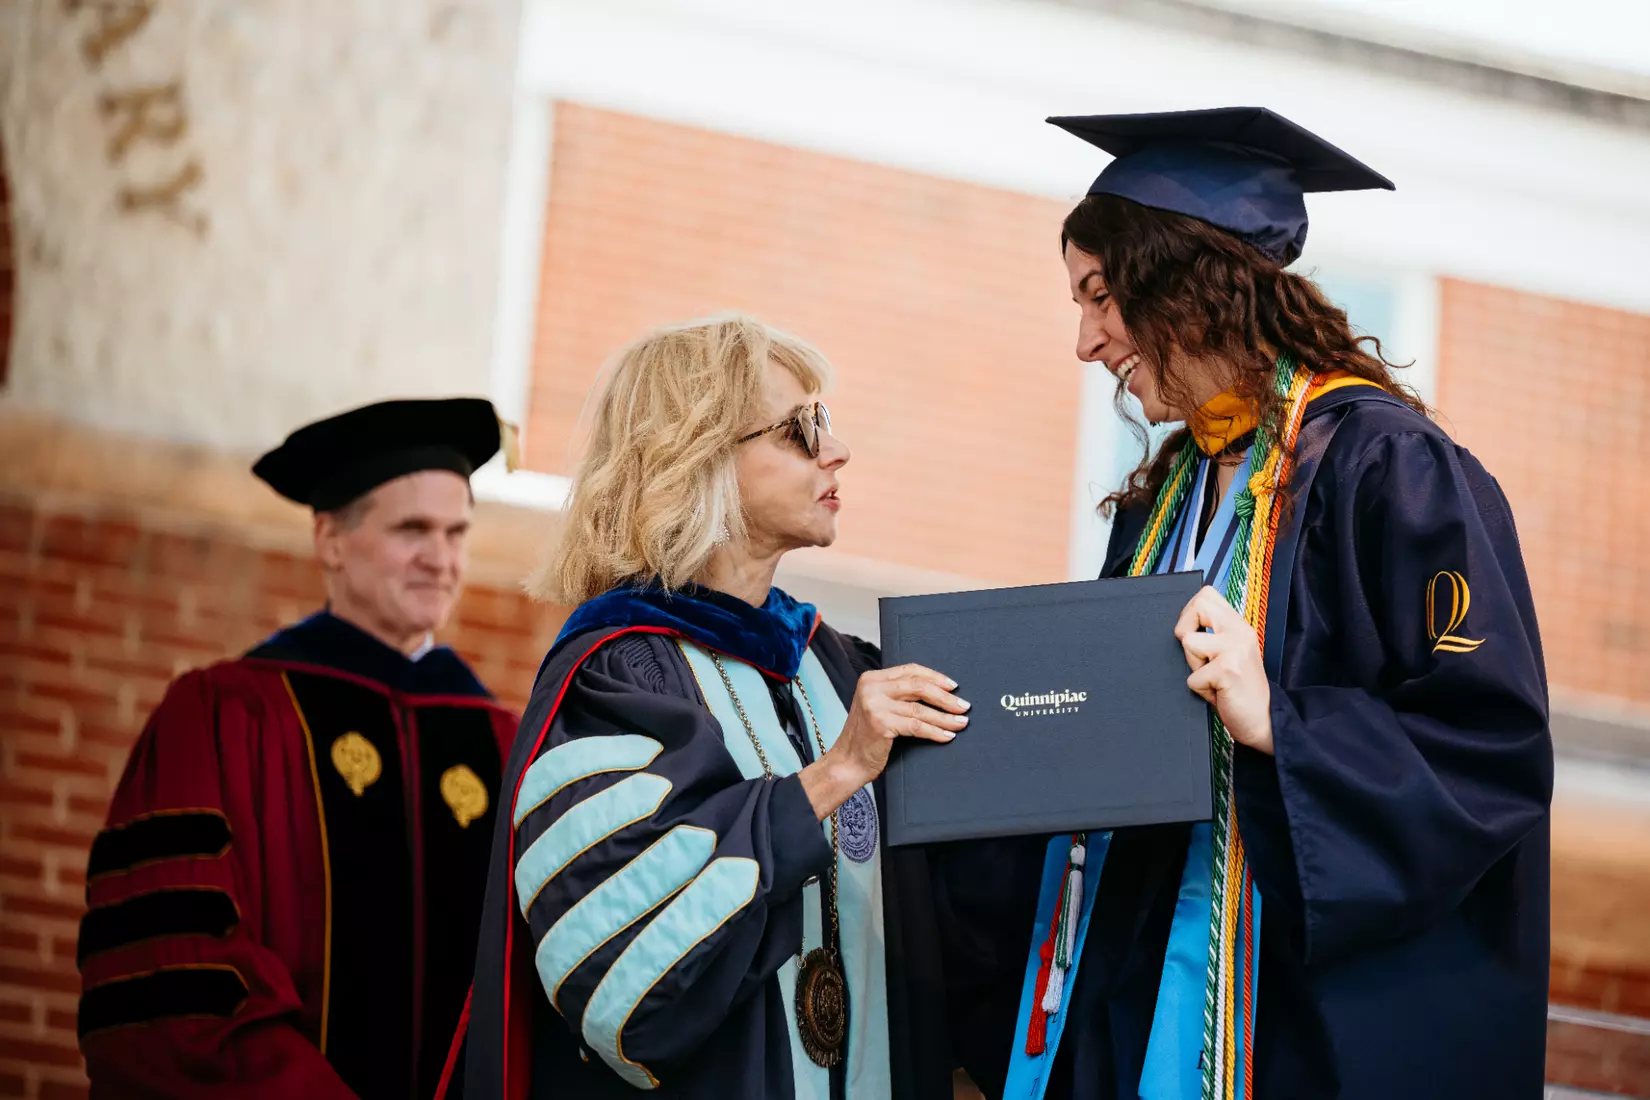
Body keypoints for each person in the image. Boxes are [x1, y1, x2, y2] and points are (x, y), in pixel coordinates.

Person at [936, 108, 1552, 1100]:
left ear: (1182, 283)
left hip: (1293, 1014)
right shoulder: (1174, 486)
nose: (1086, 340)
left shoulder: (1392, 471)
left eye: (1100, 295)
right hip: (1135, 972)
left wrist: (1284, 723)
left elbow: (1491, 749)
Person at [450, 315, 963, 1100]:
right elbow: (624, 981)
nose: (838, 450)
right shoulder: (619, 677)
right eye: (802, 428)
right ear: (696, 460)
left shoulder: (833, 665)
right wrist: (835, 775)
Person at [76, 398, 521, 1099]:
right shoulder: (222, 716)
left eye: (456, 533)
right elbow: (179, 973)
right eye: (413, 529)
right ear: (329, 541)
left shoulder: (501, 742)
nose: (441, 559)